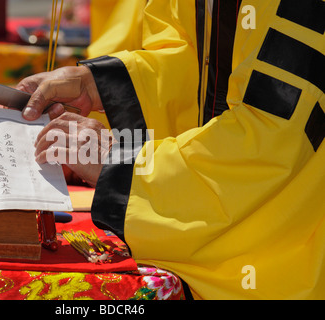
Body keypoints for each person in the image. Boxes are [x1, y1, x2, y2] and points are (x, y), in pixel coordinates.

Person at [19, 0, 325, 299]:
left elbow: (274, 139)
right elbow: (192, 61)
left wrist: (124, 163)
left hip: (283, 256)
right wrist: (98, 86)